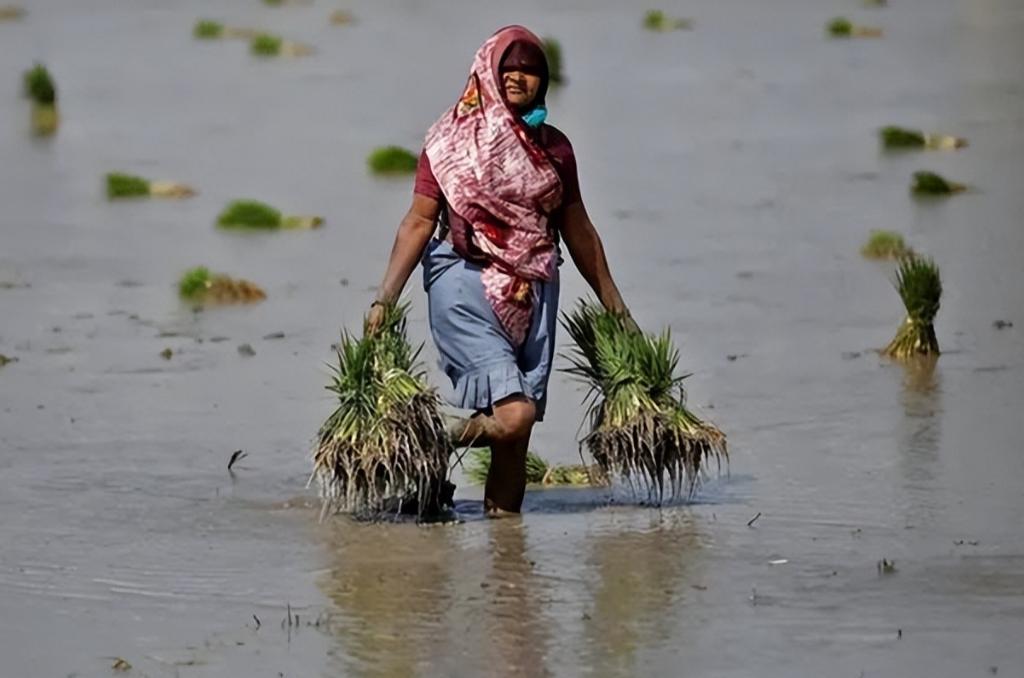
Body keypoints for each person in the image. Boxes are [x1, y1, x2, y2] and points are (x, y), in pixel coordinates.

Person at [365, 25, 634, 514]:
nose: (518, 76)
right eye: (508, 67)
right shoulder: (448, 142)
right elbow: (419, 222)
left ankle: (506, 560)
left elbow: (578, 230)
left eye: (531, 69)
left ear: (544, 81)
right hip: (463, 284)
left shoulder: (555, 149)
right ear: (485, 72)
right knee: (516, 415)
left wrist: (615, 305)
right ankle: (432, 440)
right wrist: (385, 297)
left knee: (516, 438)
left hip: (532, 293)